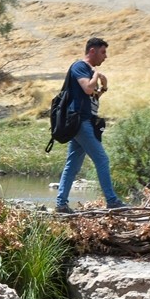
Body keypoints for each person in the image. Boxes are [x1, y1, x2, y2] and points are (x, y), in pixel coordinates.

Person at [55, 37, 127, 213]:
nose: (106, 56)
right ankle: (111, 201)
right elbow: (87, 88)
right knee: (102, 159)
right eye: (103, 52)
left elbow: (92, 97)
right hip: (80, 122)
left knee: (72, 164)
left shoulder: (86, 70)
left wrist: (104, 87)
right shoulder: (80, 66)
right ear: (92, 51)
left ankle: (61, 203)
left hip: (82, 121)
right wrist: (95, 74)